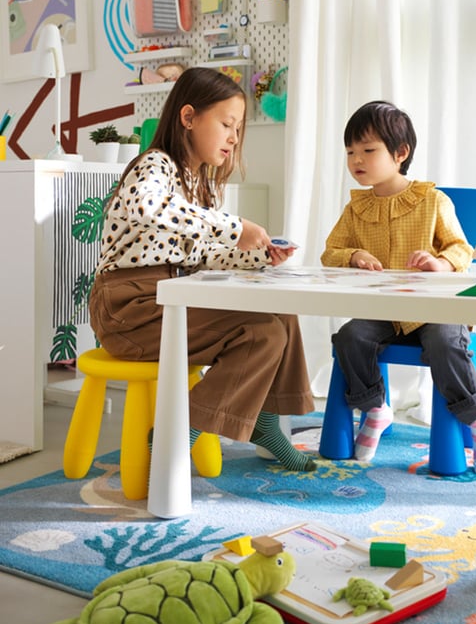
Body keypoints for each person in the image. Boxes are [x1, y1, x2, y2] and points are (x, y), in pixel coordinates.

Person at [89, 66, 316, 472]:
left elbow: (204, 254)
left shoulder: (199, 185)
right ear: (189, 117)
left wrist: (259, 255)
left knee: (281, 310)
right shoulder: (154, 165)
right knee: (261, 334)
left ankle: (266, 423)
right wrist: (235, 227)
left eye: (238, 129)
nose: (234, 137)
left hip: (170, 298)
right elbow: (148, 206)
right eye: (227, 124)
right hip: (128, 310)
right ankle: (179, 434)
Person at [321, 100, 476, 473]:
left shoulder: (431, 200)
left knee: (446, 342)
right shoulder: (355, 209)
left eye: (368, 150)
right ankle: (375, 409)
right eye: (350, 151)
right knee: (350, 337)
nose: (356, 160)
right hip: (384, 313)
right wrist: (354, 256)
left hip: (436, 311)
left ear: (400, 153)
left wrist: (440, 264)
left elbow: (462, 249)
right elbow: (330, 252)